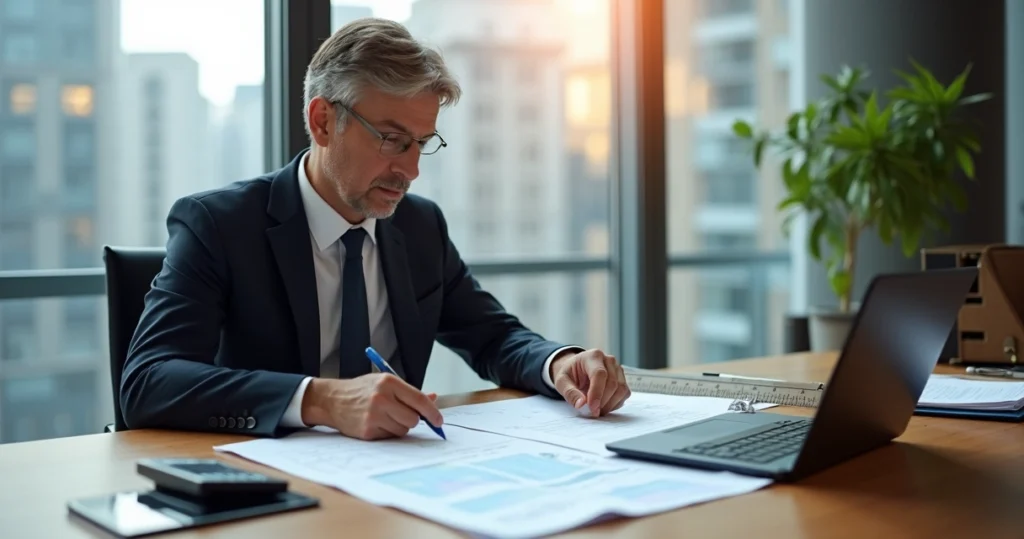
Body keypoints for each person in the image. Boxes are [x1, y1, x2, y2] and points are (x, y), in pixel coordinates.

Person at [120, 18, 630, 441]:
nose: (411, 170)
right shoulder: (219, 225)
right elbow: (148, 381)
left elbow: (493, 337)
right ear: (323, 122)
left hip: (391, 481)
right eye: (391, 139)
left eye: (421, 143)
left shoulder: (420, 226)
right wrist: (321, 399)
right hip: (267, 487)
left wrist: (559, 362)